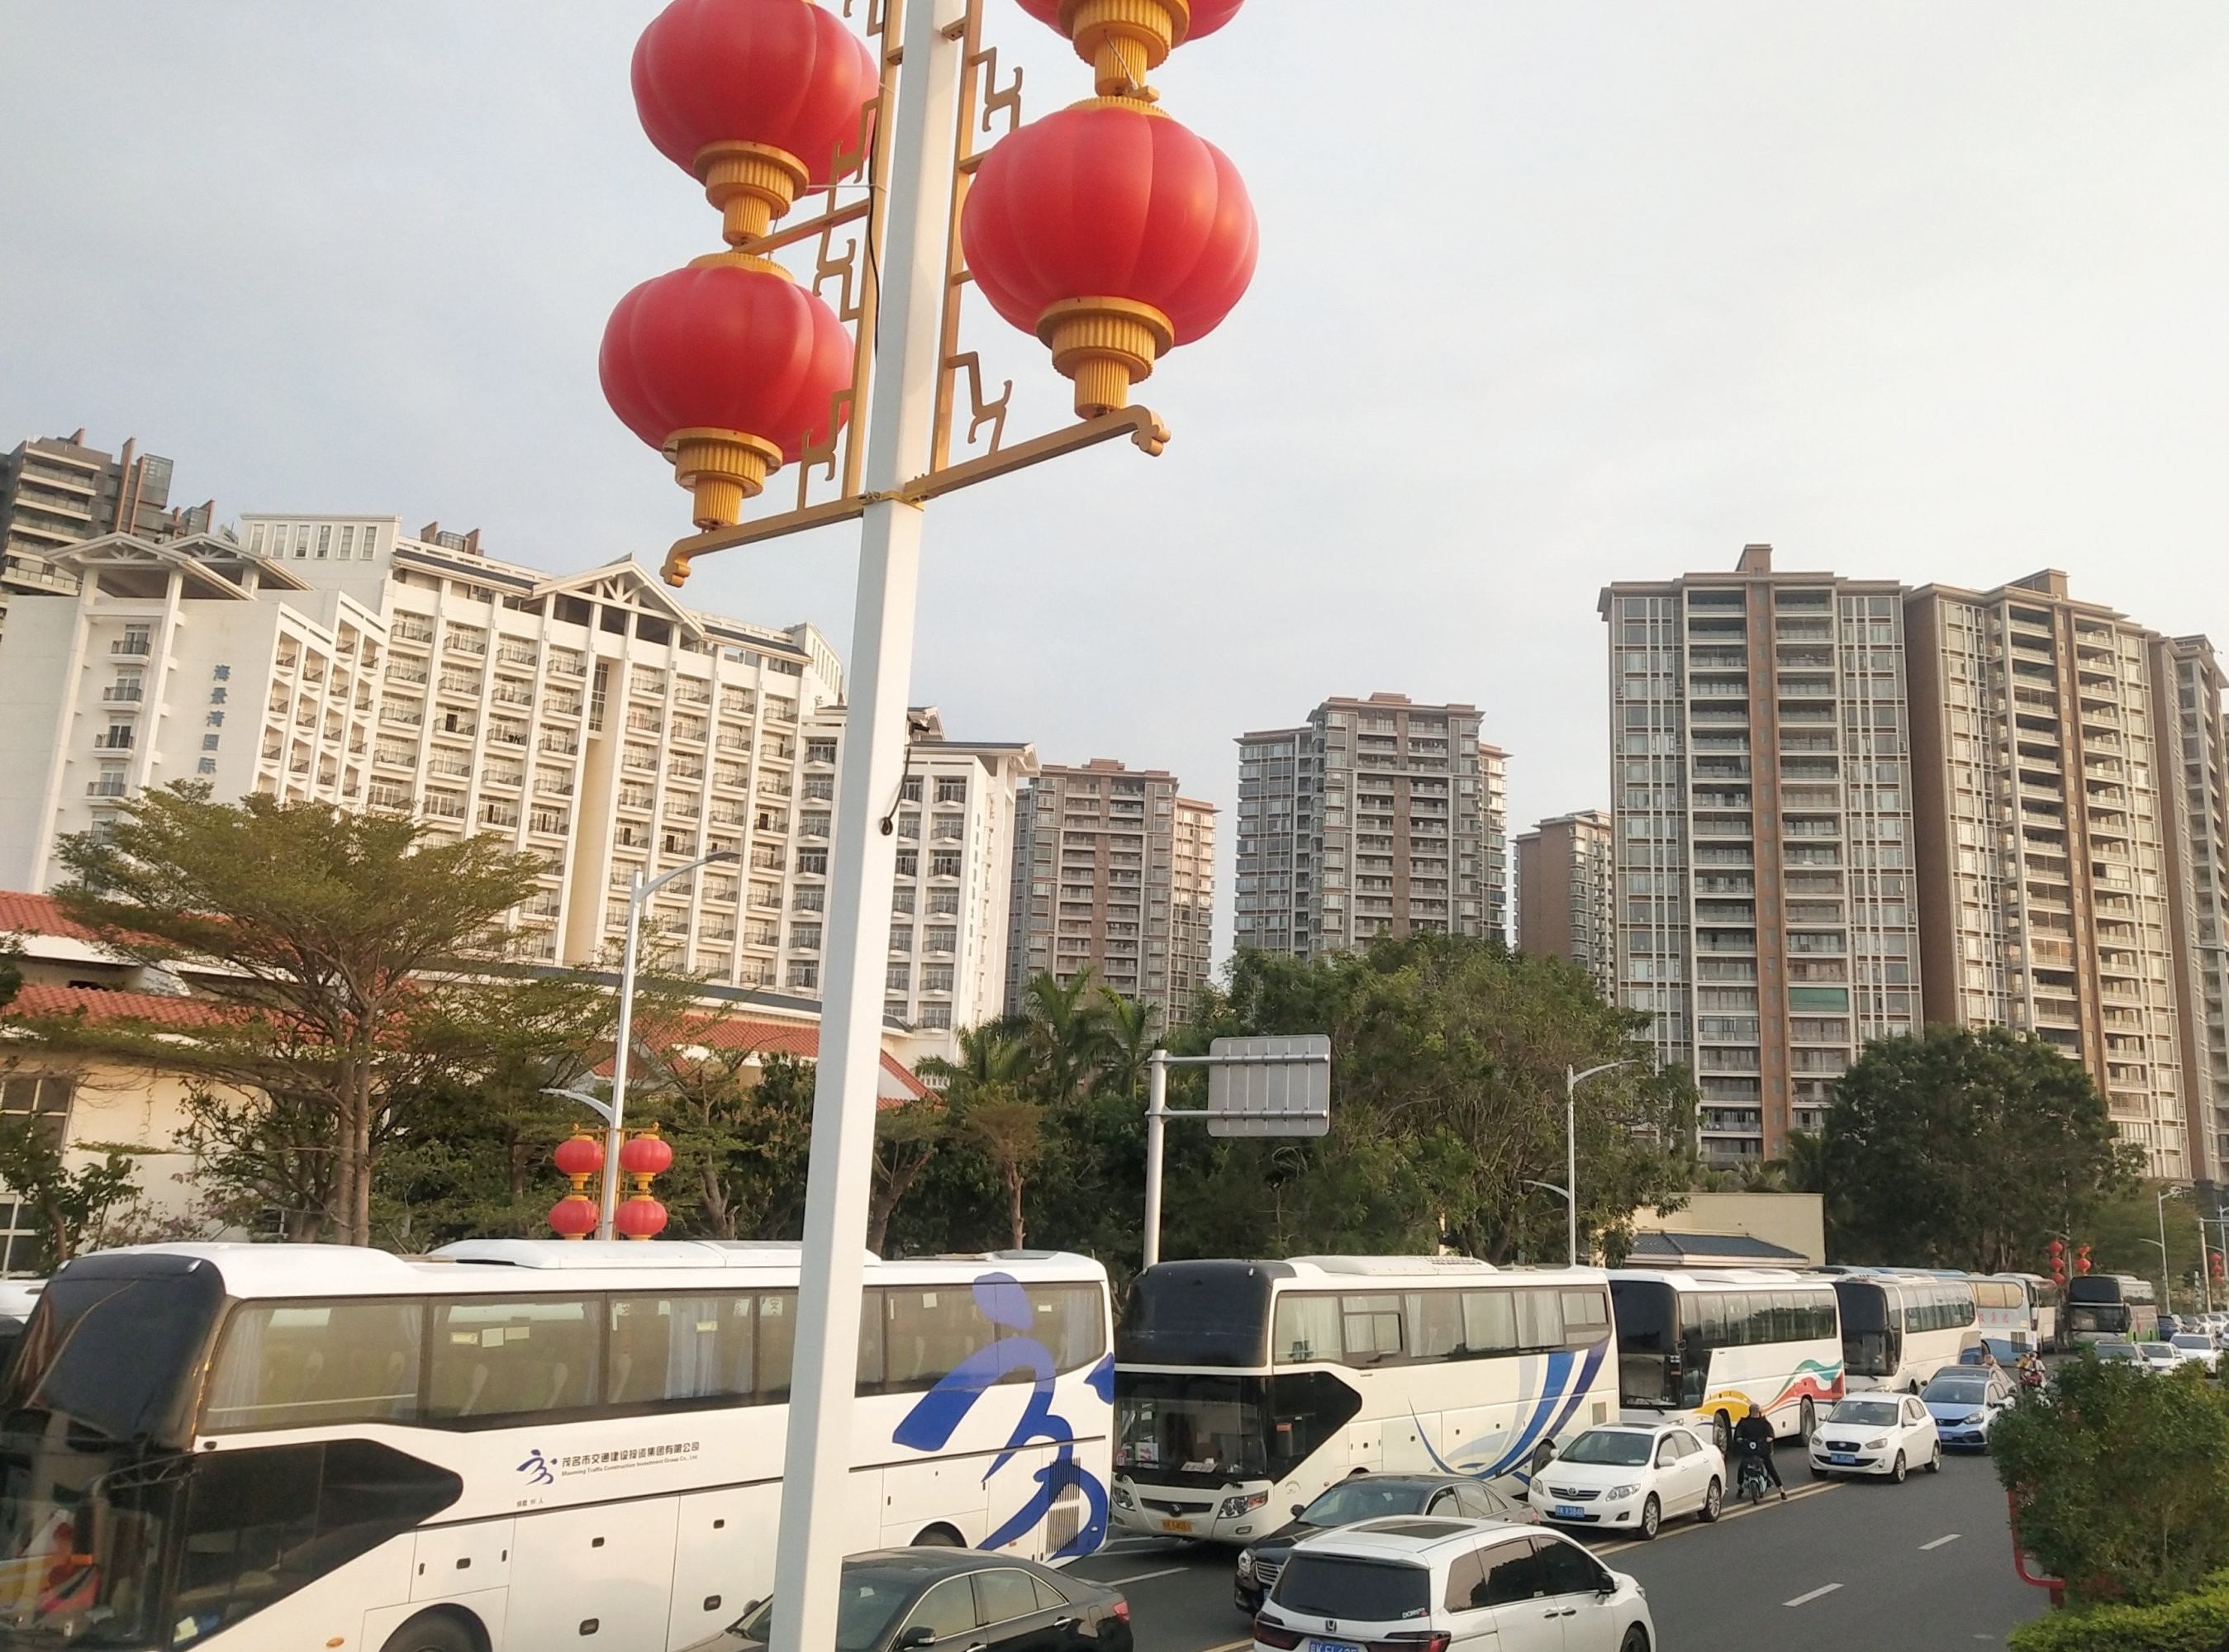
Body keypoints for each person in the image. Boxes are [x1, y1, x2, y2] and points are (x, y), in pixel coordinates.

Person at [1731, 1402, 1785, 1501]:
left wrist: (1770, 1437)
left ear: (1759, 1412)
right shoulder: (1744, 1422)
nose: (1755, 1413)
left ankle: (1781, 1490)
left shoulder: (1763, 1422)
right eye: (1754, 1411)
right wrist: (1739, 1438)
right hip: (1749, 1450)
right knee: (1742, 1467)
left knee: (1770, 1467)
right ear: (1750, 1412)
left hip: (1762, 1450)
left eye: (1756, 1411)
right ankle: (1740, 1487)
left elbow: (1770, 1431)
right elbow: (1739, 1431)